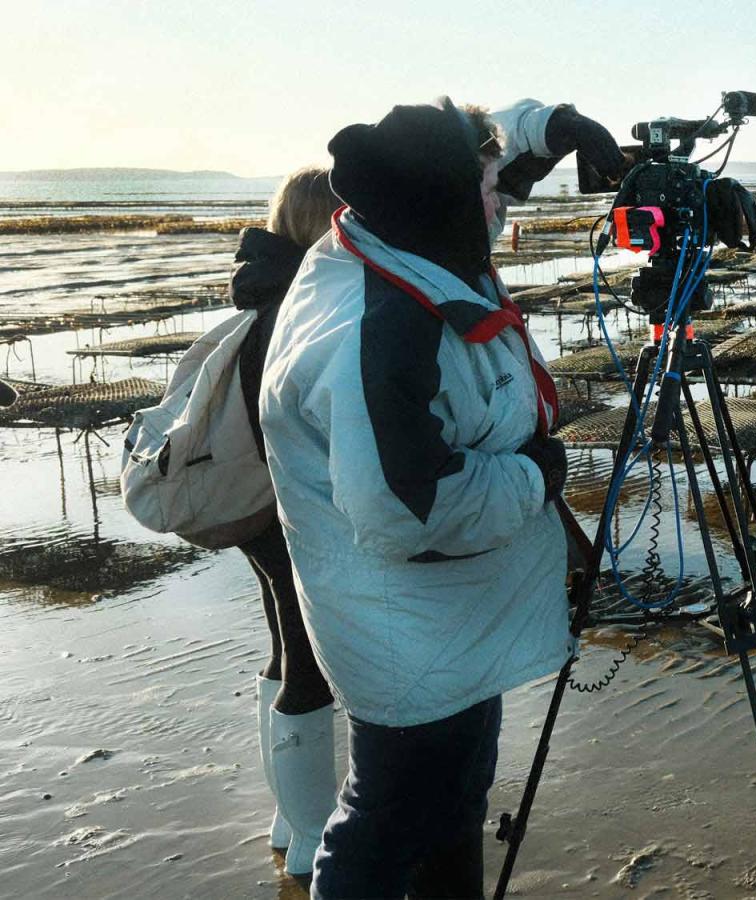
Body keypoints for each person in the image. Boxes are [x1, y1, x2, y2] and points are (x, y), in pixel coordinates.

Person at [259, 96, 622, 897]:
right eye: (488, 188)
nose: (502, 202)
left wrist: (554, 127)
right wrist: (541, 473)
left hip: (444, 625)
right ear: (451, 199)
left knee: (450, 803)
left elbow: (484, 160)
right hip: (406, 639)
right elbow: (407, 506)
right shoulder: (377, 320)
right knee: (390, 820)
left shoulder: (408, 239)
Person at [234, 167, 343, 877]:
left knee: (284, 647)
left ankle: (290, 818)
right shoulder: (295, 305)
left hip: (254, 507)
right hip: (288, 507)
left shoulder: (258, 289)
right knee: (308, 663)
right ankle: (309, 838)